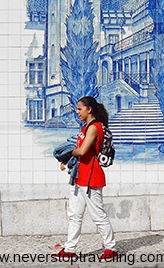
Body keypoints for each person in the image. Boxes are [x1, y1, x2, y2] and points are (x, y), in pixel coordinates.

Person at [53, 96, 118, 261]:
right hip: (78, 176)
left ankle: (111, 248)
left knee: (98, 215)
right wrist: (67, 161)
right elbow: (80, 152)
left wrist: (65, 152)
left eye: (79, 109)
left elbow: (82, 151)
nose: (77, 112)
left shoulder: (94, 128)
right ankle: (69, 250)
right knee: (74, 214)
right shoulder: (84, 127)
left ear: (89, 109)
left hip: (91, 177)